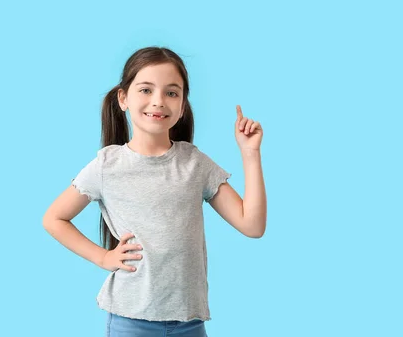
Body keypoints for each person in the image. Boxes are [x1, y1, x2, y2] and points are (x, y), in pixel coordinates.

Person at [42, 46, 267, 337]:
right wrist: (103, 257)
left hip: (190, 321)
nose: (158, 101)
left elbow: (253, 225)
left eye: (172, 93)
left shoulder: (195, 163)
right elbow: (54, 219)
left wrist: (250, 154)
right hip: (130, 321)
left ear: (183, 105)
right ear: (123, 98)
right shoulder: (107, 165)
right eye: (146, 90)